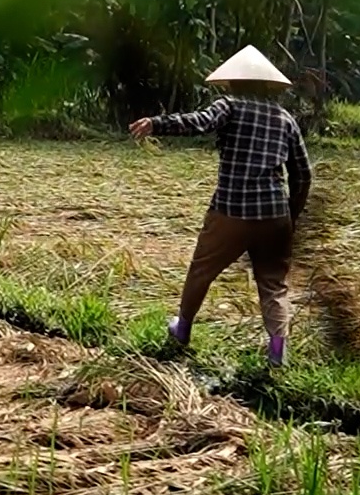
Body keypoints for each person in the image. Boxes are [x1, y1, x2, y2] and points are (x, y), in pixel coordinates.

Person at [128, 45, 312, 366]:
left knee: (202, 270)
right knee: (273, 285)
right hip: (275, 216)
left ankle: (182, 329)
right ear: (268, 84)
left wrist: (157, 123)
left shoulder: (229, 106)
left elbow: (197, 121)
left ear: (234, 82)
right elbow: (303, 175)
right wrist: (290, 217)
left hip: (231, 211)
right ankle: (278, 348)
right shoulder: (286, 120)